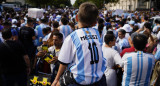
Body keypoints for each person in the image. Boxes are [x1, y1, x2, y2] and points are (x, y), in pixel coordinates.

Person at [52, 2, 106, 86]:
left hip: (79, 80)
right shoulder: (97, 33)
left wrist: (56, 79)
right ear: (95, 22)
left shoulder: (72, 37)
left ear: (77, 18)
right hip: (99, 78)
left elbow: (63, 63)